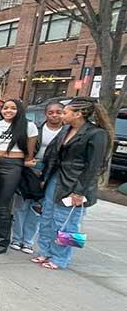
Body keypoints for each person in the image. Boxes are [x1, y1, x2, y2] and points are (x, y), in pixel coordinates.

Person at [33, 98, 111, 270]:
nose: (62, 115)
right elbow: (52, 154)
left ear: (78, 114)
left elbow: (94, 166)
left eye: (66, 112)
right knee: (47, 217)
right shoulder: (66, 130)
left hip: (75, 183)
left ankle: (60, 258)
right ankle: (44, 251)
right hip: (56, 178)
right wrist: (45, 176)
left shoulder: (97, 134)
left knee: (66, 222)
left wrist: (79, 191)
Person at [0, 99, 38, 254]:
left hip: (13, 164)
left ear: (19, 110)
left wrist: (27, 161)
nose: (8, 111)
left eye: (13, 108)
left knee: (3, 205)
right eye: (5, 108)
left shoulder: (29, 126)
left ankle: (1, 241)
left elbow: (30, 153)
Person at [11, 101, 63, 254]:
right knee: (21, 206)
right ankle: (16, 238)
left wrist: (46, 174)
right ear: (46, 114)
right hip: (29, 169)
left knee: (37, 208)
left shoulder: (67, 132)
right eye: (50, 112)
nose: (54, 115)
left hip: (51, 172)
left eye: (58, 112)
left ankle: (28, 241)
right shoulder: (35, 129)